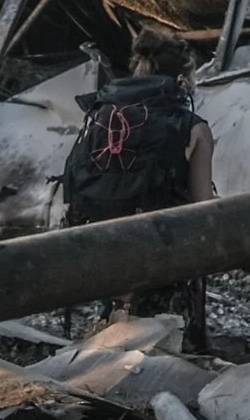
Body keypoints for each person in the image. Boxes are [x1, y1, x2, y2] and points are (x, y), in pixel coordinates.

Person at [63, 27, 218, 349]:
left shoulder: (100, 114)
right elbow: (203, 204)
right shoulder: (194, 127)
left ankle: (112, 325)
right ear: (184, 77)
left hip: (102, 244)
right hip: (164, 248)